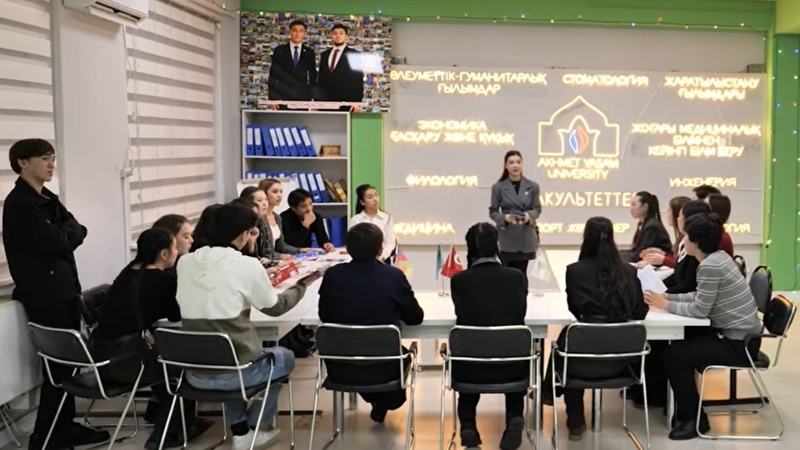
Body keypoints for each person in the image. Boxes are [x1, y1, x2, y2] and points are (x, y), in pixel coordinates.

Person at [177, 202, 318, 449]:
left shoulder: (185, 262)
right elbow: (275, 307)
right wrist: (301, 285)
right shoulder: (246, 264)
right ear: (242, 234)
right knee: (283, 357)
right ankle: (253, 425)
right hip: (236, 372)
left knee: (228, 356)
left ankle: (241, 431)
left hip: (193, 373)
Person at [2, 138, 108, 450]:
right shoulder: (21, 204)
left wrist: (68, 233)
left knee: (67, 366)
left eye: (52, 158)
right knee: (58, 368)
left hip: (64, 291)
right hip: (45, 296)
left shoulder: (46, 197)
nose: (51, 164)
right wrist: (69, 233)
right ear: (23, 162)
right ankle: (47, 438)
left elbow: (77, 229)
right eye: (44, 158)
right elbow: (60, 241)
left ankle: (64, 427)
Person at [644, 213, 761, 440]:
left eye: (686, 236)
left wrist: (666, 305)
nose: (683, 239)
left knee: (675, 355)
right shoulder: (718, 258)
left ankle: (694, 419)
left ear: (696, 241)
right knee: (675, 349)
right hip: (740, 336)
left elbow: (700, 310)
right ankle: (684, 410)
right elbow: (700, 296)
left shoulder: (710, 266)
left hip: (739, 343)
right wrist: (667, 299)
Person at [92, 228, 211, 449]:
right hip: (130, 363)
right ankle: (166, 434)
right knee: (182, 366)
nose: (177, 253)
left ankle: (167, 417)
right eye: (174, 248)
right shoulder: (163, 280)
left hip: (101, 359)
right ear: (164, 254)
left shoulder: (127, 273)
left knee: (162, 361)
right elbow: (176, 315)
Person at [543, 217, 648, 441]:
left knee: (570, 347)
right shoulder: (629, 272)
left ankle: (575, 420)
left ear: (586, 238)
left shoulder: (575, 271)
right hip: (622, 362)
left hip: (581, 361)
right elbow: (639, 313)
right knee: (574, 346)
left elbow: (574, 308)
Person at [317, 223, 424, 423]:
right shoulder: (393, 276)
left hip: (339, 366)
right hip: (385, 369)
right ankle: (382, 402)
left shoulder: (333, 276)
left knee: (363, 354)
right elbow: (415, 317)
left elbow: (324, 315)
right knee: (398, 356)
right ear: (380, 250)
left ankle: (378, 401)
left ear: (348, 249)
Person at [450, 223, 528, 450]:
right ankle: (514, 417)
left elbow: (461, 311)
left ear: (469, 248)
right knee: (514, 352)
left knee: (468, 355)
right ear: (497, 246)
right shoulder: (516, 277)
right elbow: (520, 312)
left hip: (471, 369)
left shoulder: (459, 280)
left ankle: (468, 425)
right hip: (511, 368)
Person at [489, 150, 542, 280]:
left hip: (525, 237)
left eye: (518, 162)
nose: (515, 166)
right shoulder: (498, 187)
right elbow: (493, 211)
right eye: (511, 162)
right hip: (507, 237)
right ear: (506, 166)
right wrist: (504, 218)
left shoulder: (533, 186)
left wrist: (529, 216)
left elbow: (537, 209)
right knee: (506, 276)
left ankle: (522, 294)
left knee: (521, 276)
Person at [267, 19, 317, 108]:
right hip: (282, 96)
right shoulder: (280, 51)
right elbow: (273, 74)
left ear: (304, 34)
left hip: (303, 97)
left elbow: (313, 75)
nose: (297, 34)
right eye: (295, 30)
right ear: (290, 32)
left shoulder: (309, 52)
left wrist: (313, 97)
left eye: (301, 31)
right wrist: (272, 97)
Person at [317, 23, 365, 112]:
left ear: (346, 36)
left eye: (341, 33)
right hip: (325, 104)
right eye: (335, 33)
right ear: (331, 36)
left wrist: (356, 103)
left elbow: (357, 81)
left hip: (346, 103)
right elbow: (320, 79)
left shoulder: (354, 55)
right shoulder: (324, 55)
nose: (338, 35)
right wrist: (317, 102)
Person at [350, 184, 396, 263]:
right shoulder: (356, 220)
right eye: (370, 197)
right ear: (362, 202)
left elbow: (390, 241)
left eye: (376, 195)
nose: (375, 199)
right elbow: (354, 243)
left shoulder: (387, 218)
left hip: (383, 260)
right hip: (362, 261)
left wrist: (382, 257)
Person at [639, 196, 689, 268]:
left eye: (669, 211)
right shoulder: (680, 238)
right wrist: (662, 254)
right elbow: (676, 259)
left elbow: (682, 264)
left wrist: (664, 259)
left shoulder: (687, 239)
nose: (667, 214)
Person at [280, 188, 335, 252]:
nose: (309, 209)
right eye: (303, 206)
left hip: (307, 252)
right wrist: (305, 226)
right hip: (289, 253)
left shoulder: (315, 216)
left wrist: (326, 244)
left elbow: (322, 238)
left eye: (310, 204)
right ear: (293, 208)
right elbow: (293, 244)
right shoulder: (284, 218)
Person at [624, 191, 671, 263]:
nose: (631, 208)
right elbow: (636, 250)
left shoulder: (652, 226)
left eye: (634, 205)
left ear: (645, 206)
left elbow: (641, 253)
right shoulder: (643, 224)